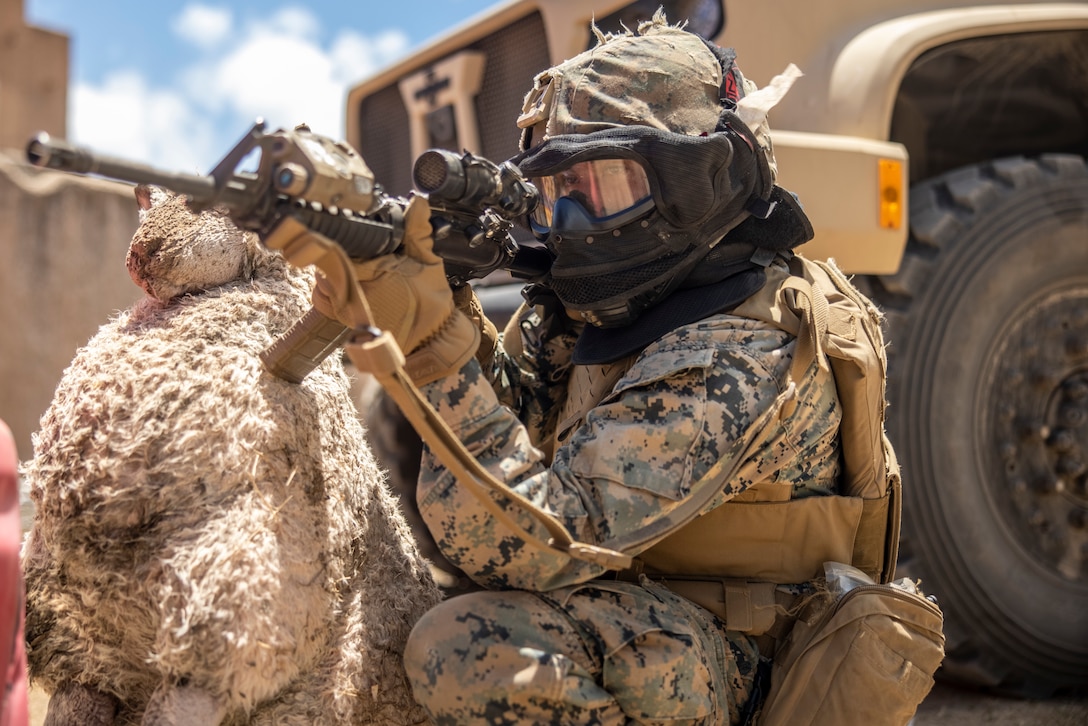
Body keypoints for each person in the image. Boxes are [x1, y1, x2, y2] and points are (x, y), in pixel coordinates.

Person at [317, 12, 897, 724]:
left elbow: (523, 545)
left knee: (465, 648)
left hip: (754, 660)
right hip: (640, 606)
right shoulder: (595, 309)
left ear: (701, 178)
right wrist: (452, 303)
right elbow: (517, 431)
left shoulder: (745, 347)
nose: (576, 222)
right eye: (561, 193)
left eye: (609, 184)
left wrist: (435, 347)